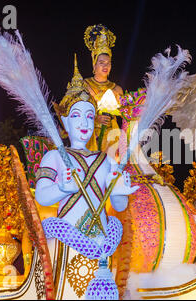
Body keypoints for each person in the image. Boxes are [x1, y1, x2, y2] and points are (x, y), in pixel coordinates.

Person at [35, 58, 138, 249]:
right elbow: (41, 196)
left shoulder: (106, 160)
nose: (84, 123)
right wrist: (63, 189)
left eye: (90, 116)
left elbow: (119, 206)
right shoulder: (55, 156)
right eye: (76, 116)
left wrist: (119, 192)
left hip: (101, 244)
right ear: (64, 121)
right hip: (66, 242)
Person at [82, 24, 123, 153]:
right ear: (94, 65)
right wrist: (95, 119)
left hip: (112, 139)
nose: (105, 66)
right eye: (101, 63)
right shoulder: (84, 85)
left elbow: (125, 115)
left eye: (108, 63)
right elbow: (75, 112)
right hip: (91, 137)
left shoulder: (117, 89)